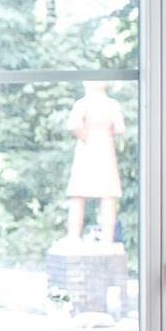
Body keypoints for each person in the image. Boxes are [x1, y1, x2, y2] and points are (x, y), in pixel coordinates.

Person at [65, 80, 126, 245]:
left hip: (87, 147)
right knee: (108, 194)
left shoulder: (82, 103)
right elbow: (120, 128)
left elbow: (74, 124)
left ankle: (73, 236)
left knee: (78, 193)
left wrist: (86, 136)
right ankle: (107, 238)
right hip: (105, 147)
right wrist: (106, 134)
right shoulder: (112, 105)